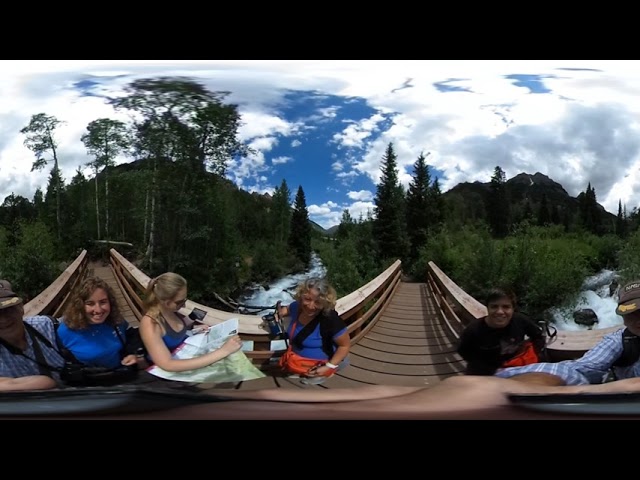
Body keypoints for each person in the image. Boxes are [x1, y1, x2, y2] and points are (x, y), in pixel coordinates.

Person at [494, 279, 640, 385]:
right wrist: (500, 377)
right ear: (623, 316)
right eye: (632, 313)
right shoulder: (618, 341)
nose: (638, 320)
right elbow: (580, 370)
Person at [139, 272, 243, 372]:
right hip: (171, 374)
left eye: (185, 300)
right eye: (180, 302)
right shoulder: (151, 324)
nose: (184, 305)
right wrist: (223, 352)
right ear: (167, 302)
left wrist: (194, 330)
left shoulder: (171, 311)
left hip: (187, 354)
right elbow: (167, 364)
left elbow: (175, 331)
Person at [275, 276, 350, 385]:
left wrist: (329, 367)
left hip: (320, 368)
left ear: (325, 302)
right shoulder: (298, 307)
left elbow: (345, 346)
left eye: (318, 302)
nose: (310, 306)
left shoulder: (330, 319)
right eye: (307, 299)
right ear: (301, 297)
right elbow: (287, 309)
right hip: (296, 363)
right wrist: (280, 313)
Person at [57, 276, 142, 370]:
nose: (98, 310)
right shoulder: (65, 330)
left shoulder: (116, 321)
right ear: (80, 305)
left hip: (119, 376)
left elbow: (130, 337)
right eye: (90, 303)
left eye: (103, 302)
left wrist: (132, 354)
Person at [457, 287, 545, 375]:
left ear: (513, 309)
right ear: (487, 308)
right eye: (494, 307)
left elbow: (538, 336)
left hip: (516, 367)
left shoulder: (520, 320)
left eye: (506, 307)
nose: (500, 312)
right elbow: (463, 350)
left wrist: (532, 354)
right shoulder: (473, 329)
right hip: (484, 373)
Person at [0, 280, 65, 391]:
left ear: (21, 308)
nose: (3, 319)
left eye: (8, 310)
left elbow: (79, 322)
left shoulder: (46, 327)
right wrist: (45, 382)